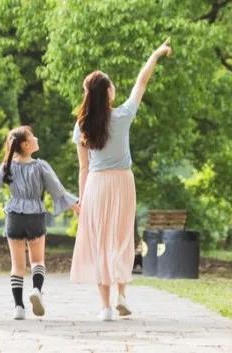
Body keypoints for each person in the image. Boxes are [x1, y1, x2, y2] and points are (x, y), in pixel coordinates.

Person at [70, 39, 172, 321]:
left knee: (101, 242)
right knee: (122, 239)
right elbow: (142, 81)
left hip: (97, 186)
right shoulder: (123, 115)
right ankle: (123, 295)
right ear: (109, 93)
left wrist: (82, 201)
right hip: (123, 183)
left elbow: (83, 168)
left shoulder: (82, 126)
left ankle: (105, 308)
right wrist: (156, 53)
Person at [0, 126, 79, 320]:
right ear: (26, 144)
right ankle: (37, 291)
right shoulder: (41, 166)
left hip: (14, 216)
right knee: (38, 260)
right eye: (33, 136)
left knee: (17, 265)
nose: (37, 138)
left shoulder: (7, 165)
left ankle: (18, 307)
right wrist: (75, 205)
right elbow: (58, 190)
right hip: (35, 215)